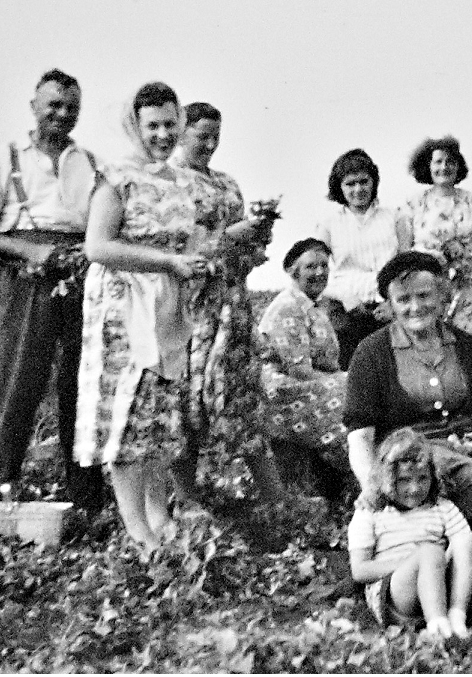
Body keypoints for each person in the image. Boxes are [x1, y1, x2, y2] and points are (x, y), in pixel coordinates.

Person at [343, 251, 472, 582]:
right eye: (403, 299)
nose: (414, 307)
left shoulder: (465, 345)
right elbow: (360, 433)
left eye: (424, 296)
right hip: (412, 450)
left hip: (468, 443)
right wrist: (372, 484)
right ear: (390, 305)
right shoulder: (372, 352)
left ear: (441, 296)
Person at [0, 68, 106, 516]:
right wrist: (27, 250)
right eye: (54, 106)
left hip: (81, 273)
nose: (62, 114)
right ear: (34, 108)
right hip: (26, 280)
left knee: (83, 389)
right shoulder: (5, 157)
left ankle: (87, 504)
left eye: (71, 108)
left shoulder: (88, 160)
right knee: (17, 387)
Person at [74, 82, 210, 550]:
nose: (162, 134)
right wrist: (166, 263)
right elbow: (98, 246)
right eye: (152, 125)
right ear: (135, 126)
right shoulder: (117, 176)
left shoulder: (180, 180)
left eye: (170, 124)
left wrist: (193, 260)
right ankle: (136, 528)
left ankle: (159, 514)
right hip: (125, 303)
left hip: (168, 302)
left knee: (162, 414)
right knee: (130, 416)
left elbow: (183, 239)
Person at [168, 101, 284, 504]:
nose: (211, 144)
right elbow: (185, 242)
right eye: (202, 135)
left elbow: (240, 253)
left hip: (231, 304)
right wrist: (233, 235)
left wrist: (258, 237)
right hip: (190, 305)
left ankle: (275, 502)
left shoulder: (227, 184)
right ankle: (188, 500)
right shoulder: (171, 182)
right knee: (188, 400)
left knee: (241, 397)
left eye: (216, 136)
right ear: (181, 132)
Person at [348, 428, 472, 639]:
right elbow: (360, 570)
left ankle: (457, 615)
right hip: (396, 595)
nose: (415, 488)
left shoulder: (441, 507)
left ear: (433, 476)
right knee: (430, 552)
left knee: (467, 540)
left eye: (422, 478)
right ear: (387, 478)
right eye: (404, 480)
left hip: (439, 582)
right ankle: (439, 629)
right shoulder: (370, 512)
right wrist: (417, 561)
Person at [256, 238, 360, 505]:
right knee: (348, 390)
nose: (319, 273)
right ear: (293, 271)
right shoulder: (288, 307)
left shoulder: (313, 305)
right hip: (281, 386)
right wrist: (345, 379)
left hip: (302, 379)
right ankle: (356, 471)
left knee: (356, 387)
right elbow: (299, 369)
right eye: (310, 267)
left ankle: (353, 475)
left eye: (324, 266)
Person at [398, 136, 472, 336]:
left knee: (464, 347)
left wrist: (465, 256)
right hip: (426, 287)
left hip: (467, 288)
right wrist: (429, 259)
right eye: (438, 162)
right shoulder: (413, 203)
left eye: (451, 162)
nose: (444, 167)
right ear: (428, 166)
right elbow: (404, 253)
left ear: (459, 166)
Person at [314, 149, 408, 366]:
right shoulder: (329, 223)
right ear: (339, 187)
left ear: (374, 182)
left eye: (364, 181)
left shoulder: (396, 216)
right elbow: (319, 271)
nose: (358, 189)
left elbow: (405, 265)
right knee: (349, 370)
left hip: (386, 307)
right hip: (344, 310)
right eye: (350, 183)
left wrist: (393, 302)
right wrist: (347, 298)